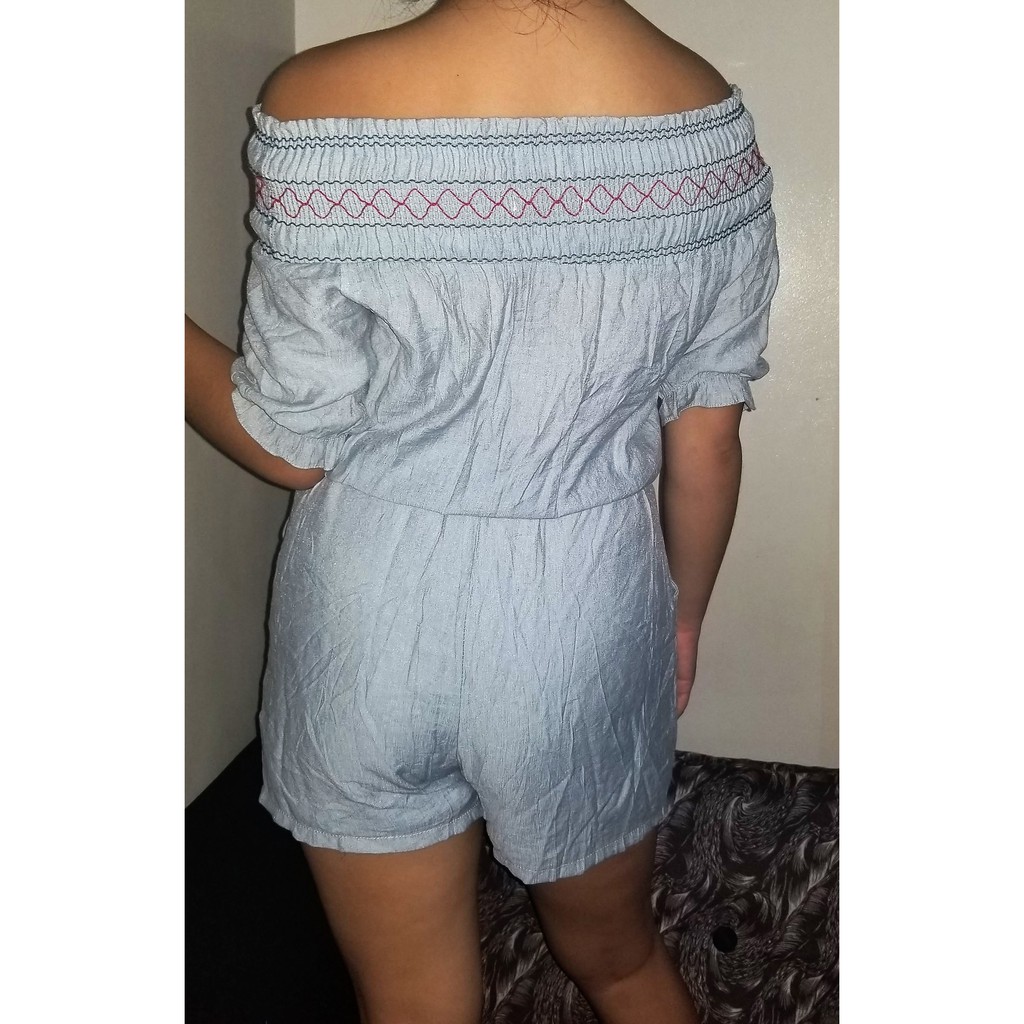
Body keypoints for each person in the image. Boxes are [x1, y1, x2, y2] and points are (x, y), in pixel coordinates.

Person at [185, 1, 779, 1021]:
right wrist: (681, 616)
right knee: (620, 960)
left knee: (411, 998)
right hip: (580, 612)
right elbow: (707, 445)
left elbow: (288, 448)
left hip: (366, 618)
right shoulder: (707, 123)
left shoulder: (317, 102)